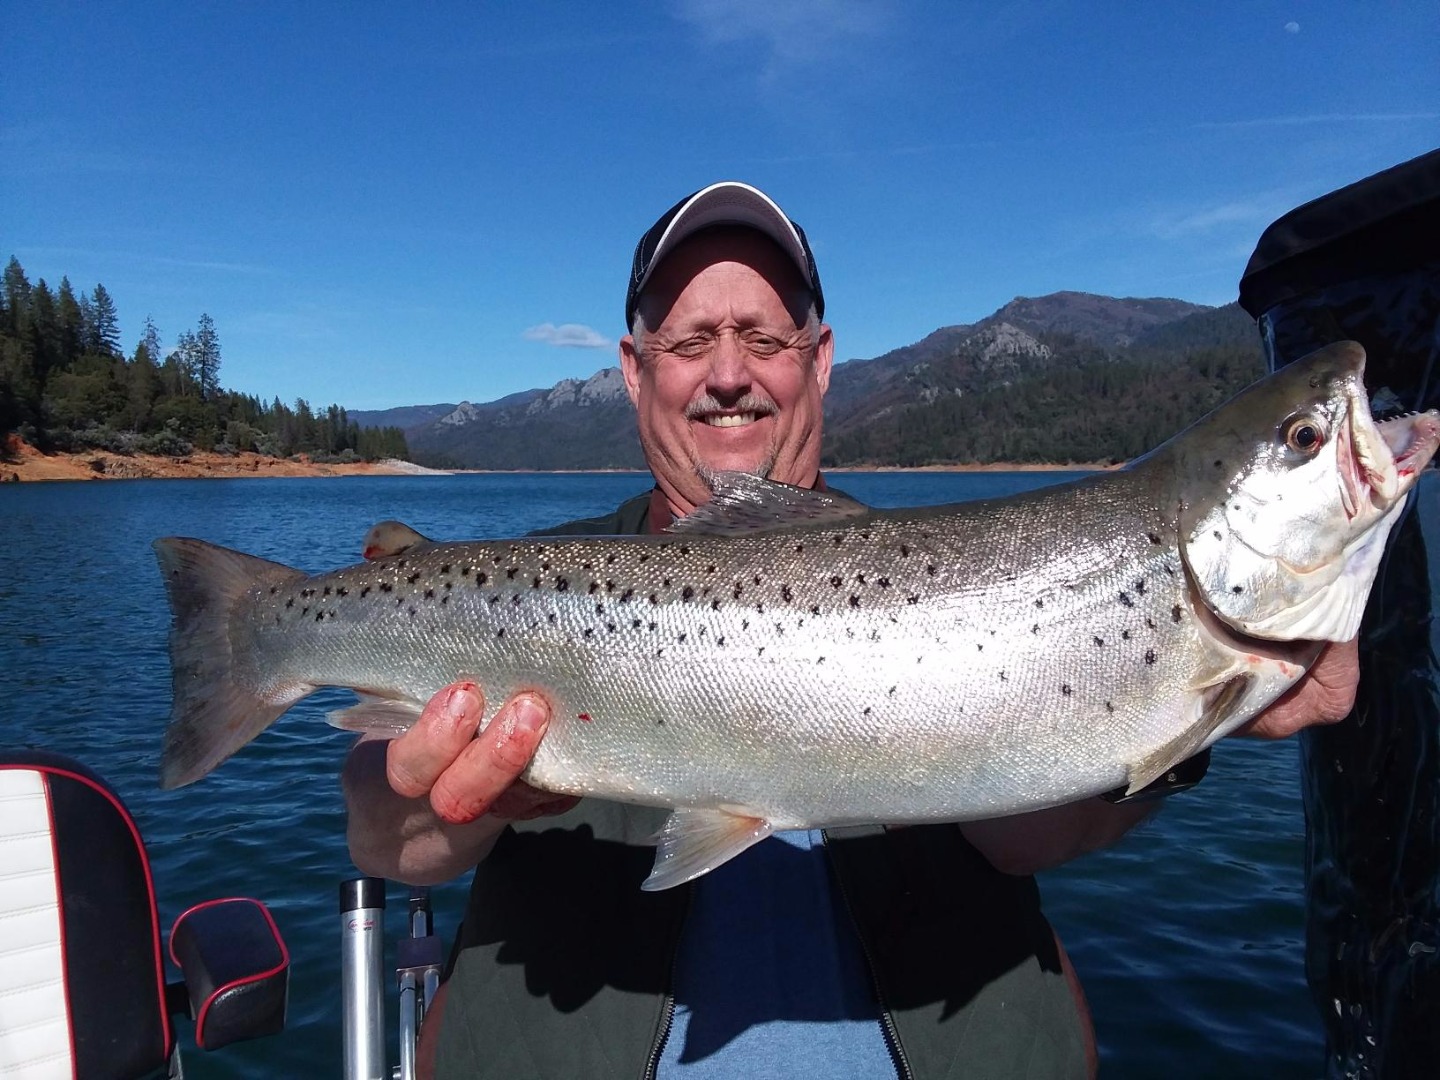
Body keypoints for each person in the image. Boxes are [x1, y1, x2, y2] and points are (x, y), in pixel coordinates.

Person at [342, 182, 1362, 1079]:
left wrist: (1206, 710)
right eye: (691, 340)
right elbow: (383, 843)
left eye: (765, 338)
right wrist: (471, 804)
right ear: (633, 369)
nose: (728, 373)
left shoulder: (968, 583)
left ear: (819, 362)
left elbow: (1031, 837)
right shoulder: (523, 589)